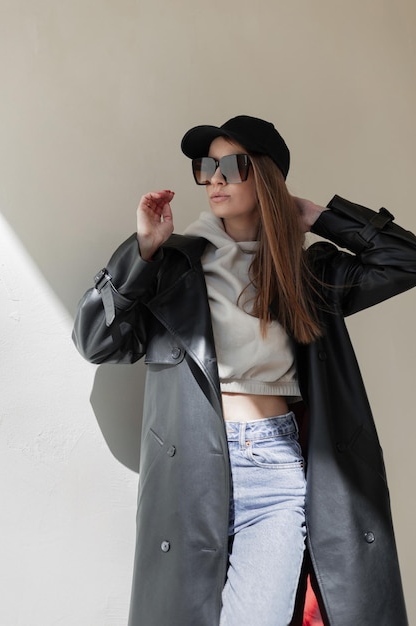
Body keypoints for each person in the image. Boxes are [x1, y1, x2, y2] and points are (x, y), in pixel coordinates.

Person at [73, 115, 416, 626]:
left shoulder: (307, 273)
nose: (214, 178)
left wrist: (321, 216)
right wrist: (141, 251)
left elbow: (404, 260)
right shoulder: (173, 266)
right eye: (206, 166)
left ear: (267, 177)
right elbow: (97, 342)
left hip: (275, 472)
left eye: (231, 166)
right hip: (191, 470)